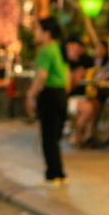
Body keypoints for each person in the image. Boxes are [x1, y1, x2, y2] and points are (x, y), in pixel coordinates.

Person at [26, 17, 69, 186]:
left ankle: (53, 175)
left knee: (48, 137)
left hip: (50, 95)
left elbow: (41, 76)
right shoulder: (60, 49)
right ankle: (59, 172)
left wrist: (30, 94)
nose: (35, 33)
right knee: (55, 136)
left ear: (47, 33)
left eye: (38, 30)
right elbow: (67, 75)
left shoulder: (46, 50)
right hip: (61, 94)